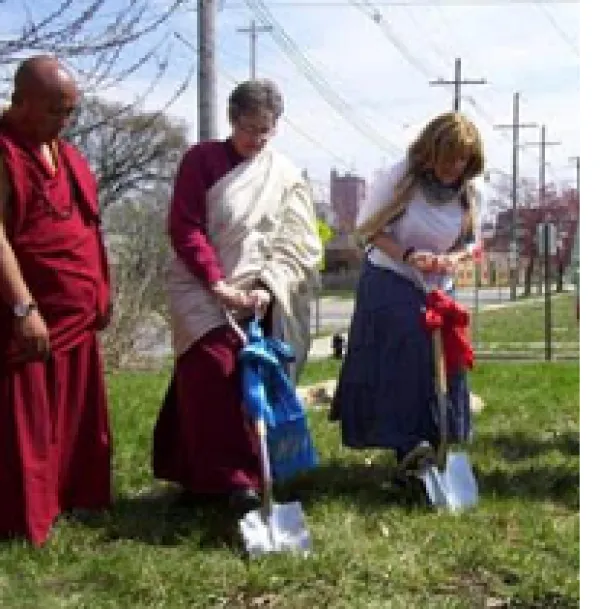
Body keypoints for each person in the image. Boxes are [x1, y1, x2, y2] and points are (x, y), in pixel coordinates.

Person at [152, 79, 322, 512]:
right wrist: (218, 284)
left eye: (267, 130)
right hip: (200, 284)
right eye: (250, 129)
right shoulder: (202, 160)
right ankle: (231, 483)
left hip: (259, 291)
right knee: (212, 368)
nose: (257, 139)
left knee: (250, 379)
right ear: (232, 120)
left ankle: (228, 475)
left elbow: (297, 240)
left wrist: (265, 286)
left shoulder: (283, 175)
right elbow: (185, 227)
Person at [329, 111, 484, 481]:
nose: (453, 167)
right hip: (391, 275)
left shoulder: (469, 192)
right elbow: (368, 230)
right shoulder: (399, 179)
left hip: (438, 281)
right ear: (429, 152)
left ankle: (439, 435)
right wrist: (410, 255)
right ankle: (408, 442)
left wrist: (451, 259)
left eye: (461, 159)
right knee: (410, 342)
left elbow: (473, 242)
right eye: (447, 158)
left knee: (446, 354)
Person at [0, 56, 113, 545]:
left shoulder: (66, 153)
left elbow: (88, 225)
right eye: (54, 111)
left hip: (77, 312)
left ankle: (74, 499)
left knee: (74, 418)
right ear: (20, 101)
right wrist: (23, 307)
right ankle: (25, 517)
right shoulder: (5, 151)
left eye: (69, 112)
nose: (63, 122)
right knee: (27, 423)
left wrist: (101, 288)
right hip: (29, 315)